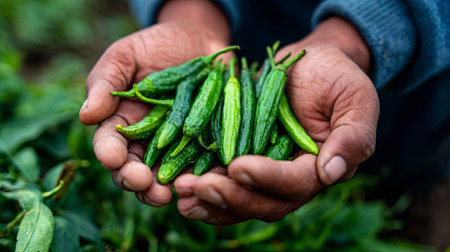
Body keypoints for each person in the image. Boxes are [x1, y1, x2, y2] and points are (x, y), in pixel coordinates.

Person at [79, 0, 450, 225]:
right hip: (236, 28)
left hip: (409, 94)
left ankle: (406, 198)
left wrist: (358, 38)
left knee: (402, 175)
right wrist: (190, 14)